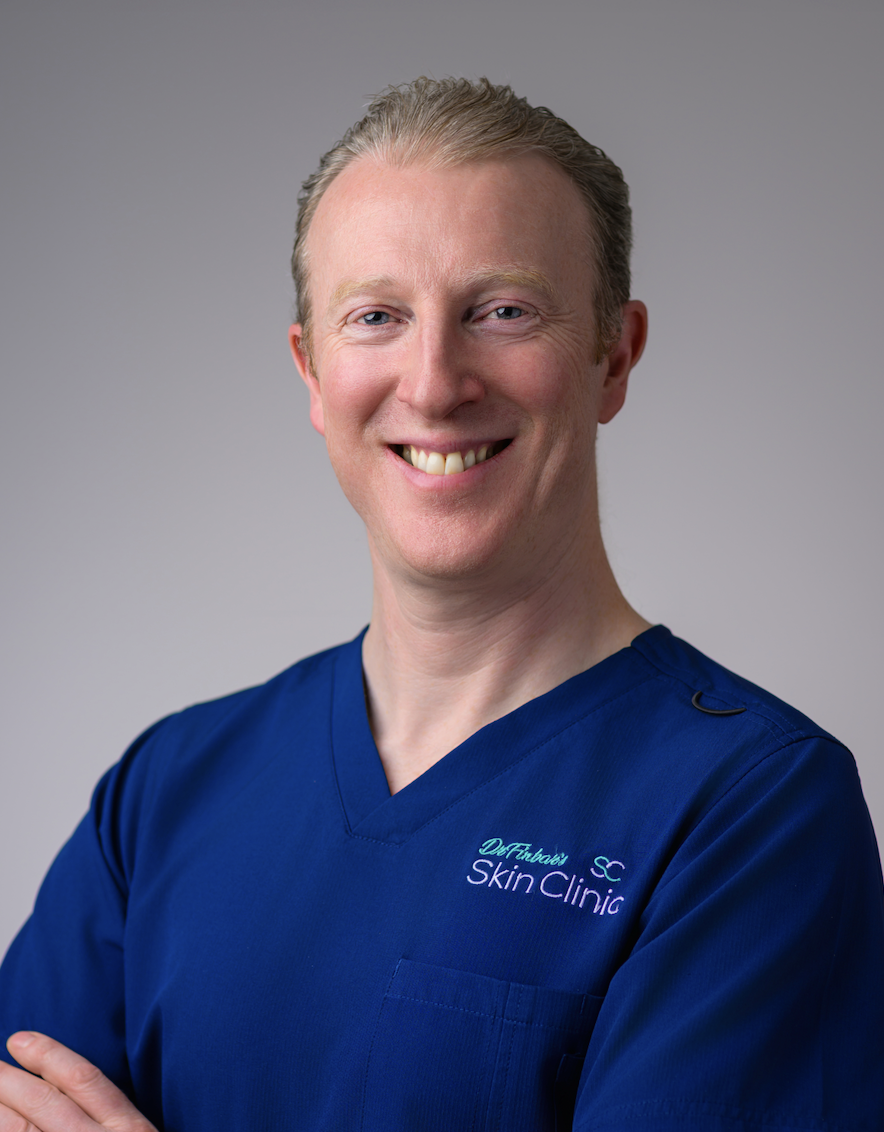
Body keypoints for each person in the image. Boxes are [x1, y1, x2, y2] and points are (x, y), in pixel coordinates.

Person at [1, 76, 882, 1132]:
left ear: (613, 353)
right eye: (376, 317)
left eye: (502, 312)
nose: (432, 382)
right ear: (312, 371)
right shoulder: (165, 793)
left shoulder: (750, 810)